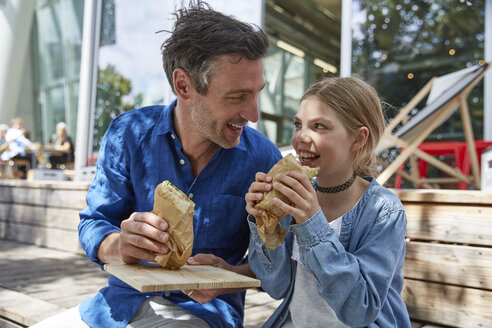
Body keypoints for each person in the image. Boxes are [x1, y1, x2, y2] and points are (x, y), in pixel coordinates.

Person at [31, 1, 281, 327]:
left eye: (256, 93)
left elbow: (279, 266)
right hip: (113, 309)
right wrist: (121, 244)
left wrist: (231, 276)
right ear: (183, 85)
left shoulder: (263, 160)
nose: (254, 114)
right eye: (237, 97)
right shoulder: (128, 134)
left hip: (202, 316)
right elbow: (93, 225)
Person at [245, 76, 411, 327]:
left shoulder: (384, 211)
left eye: (319, 126)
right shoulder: (293, 198)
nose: (301, 137)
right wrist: (265, 223)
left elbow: (360, 308)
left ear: (358, 139)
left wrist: (312, 223)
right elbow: (275, 286)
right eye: (298, 124)